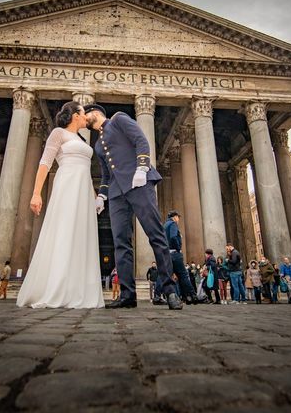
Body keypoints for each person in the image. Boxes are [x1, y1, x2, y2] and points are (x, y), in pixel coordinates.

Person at [85, 104, 181, 310]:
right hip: (117, 193)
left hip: (139, 183)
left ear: (95, 112)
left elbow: (141, 140)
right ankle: (128, 295)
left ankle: (170, 290)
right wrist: (102, 195)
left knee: (155, 234)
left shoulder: (118, 119)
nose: (85, 120)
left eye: (86, 116)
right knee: (121, 242)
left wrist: (142, 168)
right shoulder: (98, 144)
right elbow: (106, 173)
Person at [17, 101, 104, 309]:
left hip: (83, 188)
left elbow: (86, 172)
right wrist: (36, 193)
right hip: (67, 185)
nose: (87, 117)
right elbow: (45, 163)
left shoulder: (81, 138)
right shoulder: (58, 133)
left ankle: (76, 290)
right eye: (84, 113)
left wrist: (94, 197)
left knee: (81, 235)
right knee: (64, 232)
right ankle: (56, 288)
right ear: (75, 115)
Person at [162, 210, 199, 304]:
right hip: (175, 253)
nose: (178, 219)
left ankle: (184, 297)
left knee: (168, 275)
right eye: (178, 217)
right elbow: (174, 237)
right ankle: (192, 295)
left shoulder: (165, 225)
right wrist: (178, 248)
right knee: (183, 275)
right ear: (174, 217)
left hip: (167, 253)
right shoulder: (173, 224)